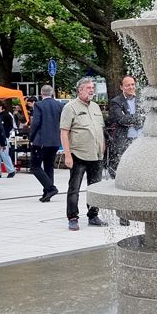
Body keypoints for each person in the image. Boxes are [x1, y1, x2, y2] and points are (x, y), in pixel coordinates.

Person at [60, 77, 107, 231]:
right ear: (79, 90)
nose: (91, 90)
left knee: (95, 188)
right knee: (74, 187)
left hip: (96, 154)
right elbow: (64, 132)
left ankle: (93, 215)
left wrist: (103, 146)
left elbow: (100, 129)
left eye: (92, 87)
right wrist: (67, 155)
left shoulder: (95, 107)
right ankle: (72, 217)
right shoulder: (70, 107)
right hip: (78, 154)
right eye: (88, 88)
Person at [107, 75, 143, 226]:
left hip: (141, 143)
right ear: (121, 87)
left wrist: (131, 118)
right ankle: (123, 213)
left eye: (133, 84)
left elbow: (148, 117)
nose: (131, 87)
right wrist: (137, 118)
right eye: (127, 85)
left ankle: (140, 209)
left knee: (140, 177)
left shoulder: (142, 99)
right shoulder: (116, 101)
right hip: (124, 143)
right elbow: (120, 120)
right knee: (124, 179)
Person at [29, 84, 65, 202]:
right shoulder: (60, 105)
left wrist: (31, 137)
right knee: (49, 166)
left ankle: (50, 188)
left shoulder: (39, 105)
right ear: (52, 92)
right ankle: (47, 193)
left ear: (41, 93)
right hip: (55, 141)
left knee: (35, 166)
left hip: (41, 140)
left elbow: (36, 123)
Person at [0, 101, 17, 178]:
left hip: (3, 137)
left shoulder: (6, 115)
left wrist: (5, 134)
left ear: (0, 107)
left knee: (4, 154)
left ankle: (11, 170)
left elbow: (10, 126)